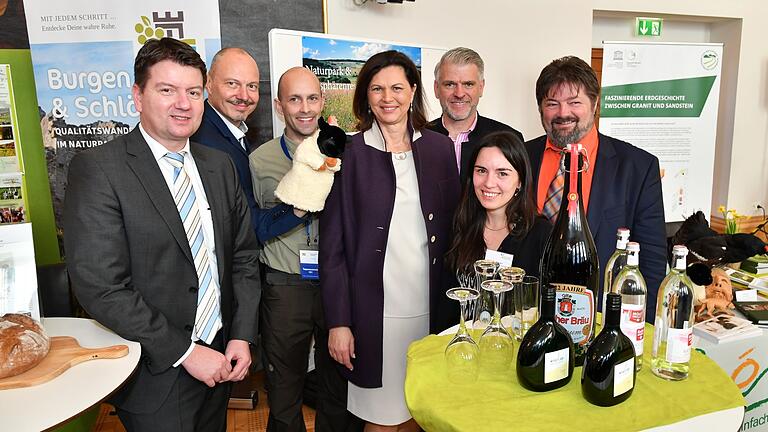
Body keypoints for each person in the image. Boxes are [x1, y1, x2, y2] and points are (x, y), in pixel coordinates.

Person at [63, 38, 260, 431]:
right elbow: (101, 286)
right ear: (137, 96)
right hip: (156, 375)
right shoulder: (100, 170)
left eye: (192, 92)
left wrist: (241, 335)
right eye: (166, 90)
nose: (183, 103)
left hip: (222, 359)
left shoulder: (219, 167)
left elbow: (242, 257)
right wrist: (186, 352)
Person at [320, 50, 460, 431]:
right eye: (377, 89)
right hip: (372, 314)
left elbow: (452, 231)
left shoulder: (439, 148)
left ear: (413, 91)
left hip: (429, 307)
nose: (388, 97)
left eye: (397, 87)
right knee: (381, 418)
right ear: (365, 96)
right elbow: (331, 250)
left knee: (419, 408)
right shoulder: (348, 154)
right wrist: (339, 322)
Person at [249, 67, 359, 432]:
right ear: (279, 106)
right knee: (283, 388)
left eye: (312, 98)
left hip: (335, 282)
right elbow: (253, 227)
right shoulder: (259, 160)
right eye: (294, 99)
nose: (305, 108)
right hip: (285, 284)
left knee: (337, 385)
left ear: (323, 101)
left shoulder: (344, 153)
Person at [525, 55, 666, 322]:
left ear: (595, 104)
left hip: (601, 320)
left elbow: (652, 262)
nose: (563, 113)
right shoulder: (519, 157)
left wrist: (639, 332)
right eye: (552, 103)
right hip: (530, 317)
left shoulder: (637, 167)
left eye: (574, 102)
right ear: (541, 108)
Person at [192, 47, 307, 243]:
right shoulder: (205, 141)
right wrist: (301, 204)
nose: (244, 96)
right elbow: (249, 226)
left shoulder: (232, 132)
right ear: (209, 84)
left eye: (252, 86)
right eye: (232, 84)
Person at [440, 131, 551, 331]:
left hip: (512, 351)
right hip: (460, 350)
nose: (489, 183)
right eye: (481, 171)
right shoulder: (460, 225)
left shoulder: (541, 234)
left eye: (502, 173)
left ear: (520, 181)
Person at [426, 47, 524, 182]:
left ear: (481, 87)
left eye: (468, 84)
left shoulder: (509, 137)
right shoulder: (417, 137)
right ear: (436, 89)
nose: (459, 93)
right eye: (449, 84)